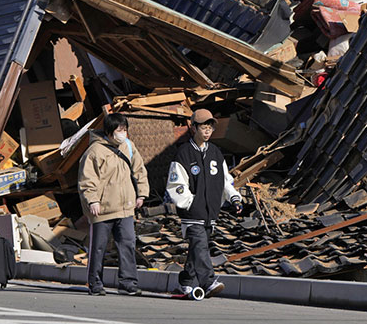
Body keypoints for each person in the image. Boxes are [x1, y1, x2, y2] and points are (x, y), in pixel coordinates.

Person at [165, 109, 243, 298]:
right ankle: (208, 282)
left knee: (196, 249)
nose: (207, 131)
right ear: (193, 128)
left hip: (211, 212)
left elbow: (225, 180)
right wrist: (190, 203)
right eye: (203, 127)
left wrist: (234, 197)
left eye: (210, 128)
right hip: (192, 213)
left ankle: (185, 282)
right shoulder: (183, 153)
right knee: (200, 246)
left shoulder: (216, 153)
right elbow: (176, 184)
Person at [78, 113, 149, 296]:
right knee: (98, 247)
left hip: (125, 206)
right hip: (102, 209)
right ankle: (95, 283)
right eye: (119, 130)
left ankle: (128, 282)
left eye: (125, 130)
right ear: (109, 132)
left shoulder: (129, 146)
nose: (122, 134)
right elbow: (87, 180)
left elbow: (139, 170)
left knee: (127, 244)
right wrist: (92, 200)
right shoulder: (94, 152)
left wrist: (142, 193)